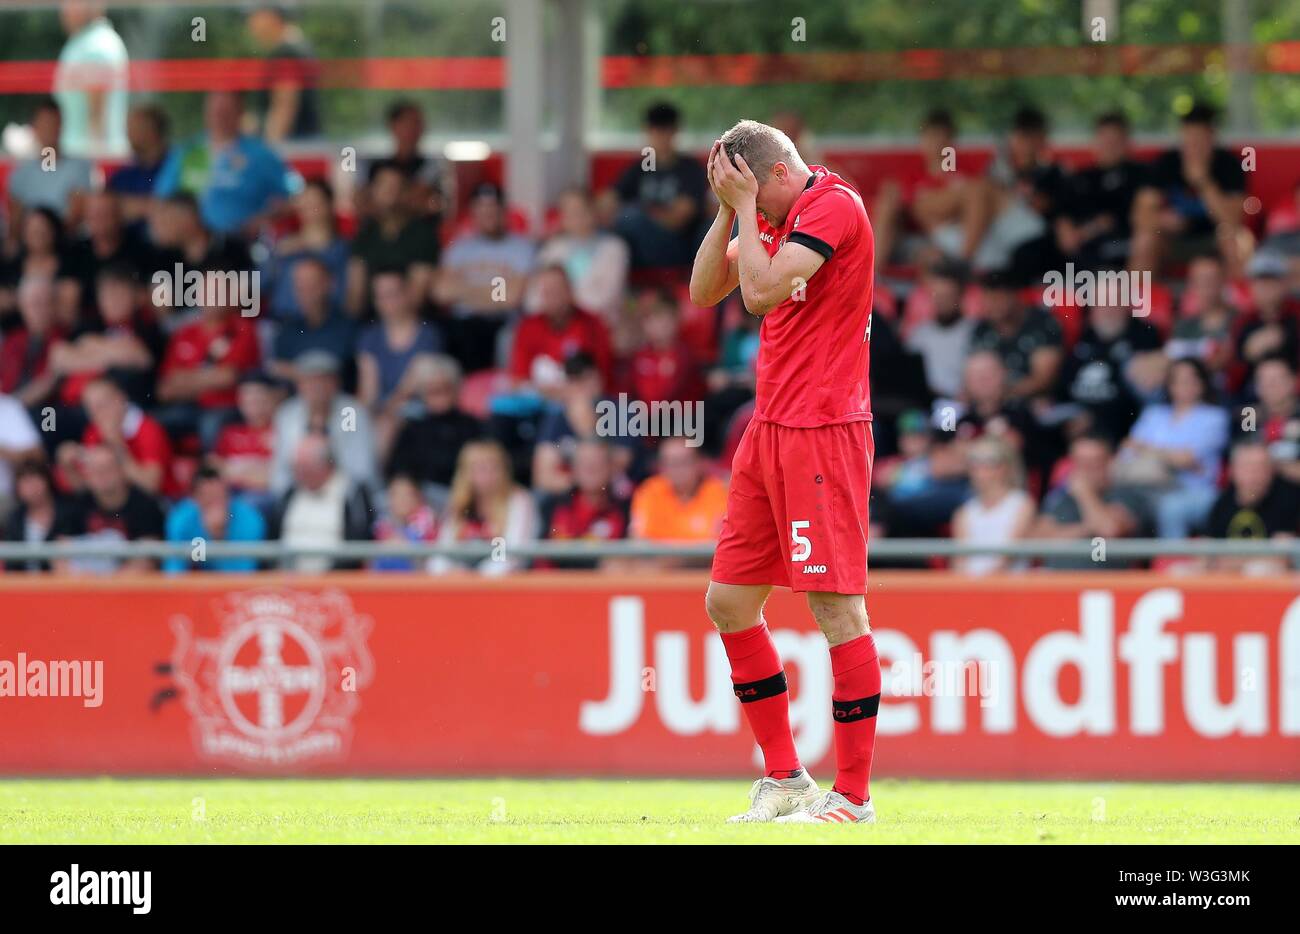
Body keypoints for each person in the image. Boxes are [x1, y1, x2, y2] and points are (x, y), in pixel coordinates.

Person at [690, 119, 880, 824]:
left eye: (747, 191)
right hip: (769, 429)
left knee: (836, 609)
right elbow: (705, 290)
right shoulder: (764, 215)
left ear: (772, 175)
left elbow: (760, 294)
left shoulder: (833, 205)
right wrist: (725, 208)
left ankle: (853, 798)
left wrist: (745, 210)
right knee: (729, 602)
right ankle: (787, 778)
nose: (751, 210)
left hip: (825, 429)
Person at [154, 90, 296, 236]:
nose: (219, 116)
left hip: (238, 244)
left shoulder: (260, 155)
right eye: (215, 109)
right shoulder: (186, 152)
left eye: (226, 110)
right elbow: (161, 198)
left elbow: (294, 195)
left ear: (240, 111)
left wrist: (264, 219)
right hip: (188, 248)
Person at [1119, 357, 1229, 539]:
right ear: (1169, 384)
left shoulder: (1214, 417)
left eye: (1190, 379)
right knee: (1118, 506)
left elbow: (1185, 459)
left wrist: (1146, 449)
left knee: (1171, 507)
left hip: (1194, 491)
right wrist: (1167, 455)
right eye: (1177, 380)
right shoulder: (1154, 413)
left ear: (1202, 383)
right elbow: (1126, 450)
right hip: (1146, 487)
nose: (1184, 385)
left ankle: (1171, 563)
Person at [434, 182, 537, 372]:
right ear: (473, 213)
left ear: (503, 210)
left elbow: (510, 299)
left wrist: (463, 291)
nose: (487, 214)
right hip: (462, 326)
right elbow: (442, 292)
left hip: (501, 323)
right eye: (481, 208)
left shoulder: (522, 248)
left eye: (493, 208)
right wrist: (491, 292)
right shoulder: (459, 248)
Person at [603, 102, 708, 271]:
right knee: (610, 228)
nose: (659, 137)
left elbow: (677, 220)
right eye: (655, 131)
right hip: (638, 243)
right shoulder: (642, 166)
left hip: (676, 246)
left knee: (631, 216)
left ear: (674, 131)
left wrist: (642, 212)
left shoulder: (689, 168)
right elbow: (607, 202)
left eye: (664, 131)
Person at [269, 351, 378, 495]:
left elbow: (359, 469)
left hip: (343, 492)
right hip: (300, 490)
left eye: (324, 380)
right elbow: (281, 468)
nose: (317, 387)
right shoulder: (288, 414)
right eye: (310, 381)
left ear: (336, 384)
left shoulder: (350, 412)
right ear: (300, 385)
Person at [1033, 434, 1144, 570]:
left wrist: (1085, 494)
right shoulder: (1059, 498)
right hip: (1059, 582)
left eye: (1093, 464)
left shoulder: (1125, 494)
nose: (1085, 471)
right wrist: (1089, 527)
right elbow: (1038, 543)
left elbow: (1108, 530)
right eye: (1081, 463)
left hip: (1104, 584)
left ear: (1109, 462)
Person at [51, 443, 165, 575]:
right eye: (95, 470)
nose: (101, 475)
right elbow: (58, 553)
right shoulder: (76, 505)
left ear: (122, 470)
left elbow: (148, 559)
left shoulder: (145, 506)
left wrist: (108, 585)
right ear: (87, 475)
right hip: (84, 586)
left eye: (107, 468)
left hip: (130, 589)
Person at [429, 439, 538, 576]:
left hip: (500, 586)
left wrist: (476, 578)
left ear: (503, 469)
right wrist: (448, 573)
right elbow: (441, 553)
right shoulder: (459, 504)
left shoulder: (519, 501)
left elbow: (514, 554)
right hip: (459, 583)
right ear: (465, 472)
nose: (486, 474)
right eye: (478, 467)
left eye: (492, 467)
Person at [268, 433, 373, 573]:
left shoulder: (352, 492)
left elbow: (359, 544)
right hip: (289, 580)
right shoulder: (291, 493)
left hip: (336, 583)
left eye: (304, 467)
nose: (297, 473)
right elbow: (274, 536)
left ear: (324, 465)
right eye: (295, 467)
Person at [347, 163, 441, 315]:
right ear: (372, 190)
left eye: (396, 186)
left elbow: (416, 297)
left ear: (407, 192)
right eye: (383, 185)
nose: (390, 192)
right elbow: (355, 293)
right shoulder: (366, 233)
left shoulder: (422, 233)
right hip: (370, 323)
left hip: (410, 322)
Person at [386, 355, 484, 495]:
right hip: (420, 498)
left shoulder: (471, 425)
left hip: (462, 495)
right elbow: (397, 470)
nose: (440, 396)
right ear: (423, 393)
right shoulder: (413, 428)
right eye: (433, 390)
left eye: (445, 388)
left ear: (456, 389)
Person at [508, 265, 613, 394]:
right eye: (546, 292)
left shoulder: (592, 324)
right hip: (539, 401)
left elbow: (600, 381)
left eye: (556, 291)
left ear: (569, 291)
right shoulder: (528, 327)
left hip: (581, 400)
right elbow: (518, 381)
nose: (552, 298)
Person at [1202, 442, 1300, 574]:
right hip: (1229, 581)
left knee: (1259, 570)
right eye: (1247, 467)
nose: (1254, 475)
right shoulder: (1222, 503)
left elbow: (1282, 556)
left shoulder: (1289, 497)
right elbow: (1204, 555)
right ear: (1232, 471)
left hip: (1276, 584)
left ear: (1271, 470)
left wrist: (1227, 561)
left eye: (1260, 467)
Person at [537, 188, 629, 318]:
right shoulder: (552, 248)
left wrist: (562, 299)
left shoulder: (614, 248)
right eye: (568, 212)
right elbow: (536, 295)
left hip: (599, 323)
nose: (575, 218)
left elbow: (605, 298)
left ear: (593, 212)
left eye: (580, 211)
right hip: (556, 323)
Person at [53, 1, 129, 157]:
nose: (65, 9)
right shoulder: (84, 42)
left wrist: (93, 171)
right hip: (78, 157)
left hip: (86, 158)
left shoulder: (95, 46)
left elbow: (96, 115)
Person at [6, 99, 92, 234]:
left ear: (61, 126)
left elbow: (76, 215)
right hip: (30, 246)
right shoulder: (21, 173)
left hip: (66, 244)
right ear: (34, 128)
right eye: (44, 124)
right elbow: (15, 223)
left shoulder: (79, 167)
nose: (49, 129)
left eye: (53, 123)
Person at [951, 436, 1035, 576]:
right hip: (970, 589)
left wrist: (980, 586)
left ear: (1004, 467)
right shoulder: (964, 512)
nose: (979, 471)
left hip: (1007, 588)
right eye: (974, 463)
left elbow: (1007, 558)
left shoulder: (1022, 504)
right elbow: (959, 561)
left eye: (988, 462)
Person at [162, 467, 266, 574]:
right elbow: (175, 572)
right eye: (208, 496)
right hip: (197, 585)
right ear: (194, 498)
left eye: (219, 495)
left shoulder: (249, 519)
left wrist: (219, 536)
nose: (215, 503)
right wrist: (207, 537)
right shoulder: (181, 520)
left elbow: (243, 572)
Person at [245, 3, 321, 142]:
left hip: (293, 149)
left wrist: (269, 152)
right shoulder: (297, 47)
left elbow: (284, 110)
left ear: (270, 16)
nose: (250, 24)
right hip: (305, 145)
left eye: (253, 16)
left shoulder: (287, 53)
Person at [106, 105, 172, 225]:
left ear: (152, 131)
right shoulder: (122, 176)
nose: (128, 133)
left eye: (134, 127)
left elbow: (172, 209)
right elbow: (108, 208)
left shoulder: (175, 167)